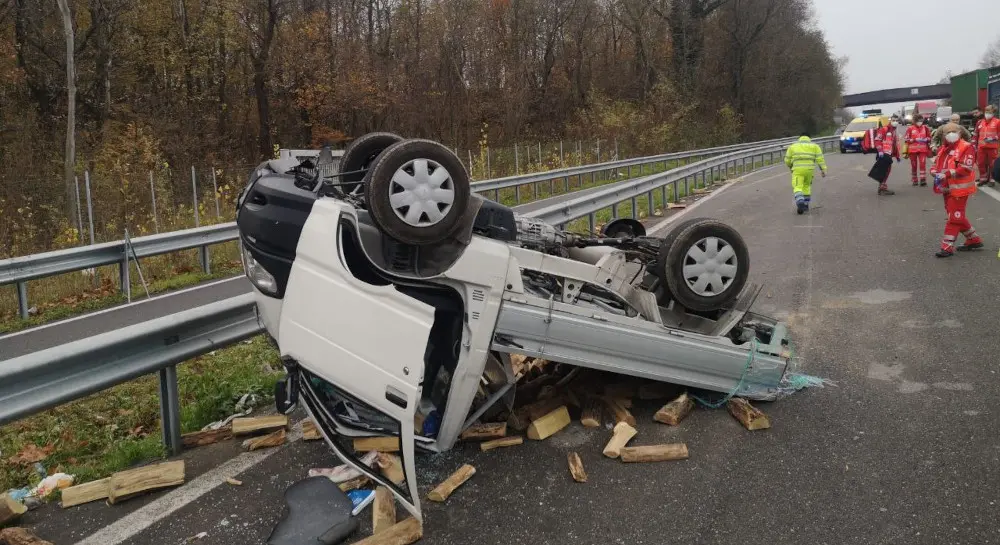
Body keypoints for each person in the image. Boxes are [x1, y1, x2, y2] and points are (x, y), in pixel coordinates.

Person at [930, 123, 983, 257]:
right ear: (943, 135)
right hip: (947, 188)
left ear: (960, 133)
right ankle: (973, 239)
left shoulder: (966, 147)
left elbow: (966, 168)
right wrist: (933, 172)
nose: (951, 134)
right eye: (948, 132)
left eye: (954, 131)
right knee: (955, 215)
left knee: (954, 218)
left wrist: (946, 174)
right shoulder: (943, 148)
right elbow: (937, 164)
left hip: (960, 189)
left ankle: (947, 247)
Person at [784, 135, 828, 214]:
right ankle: (806, 204)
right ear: (809, 138)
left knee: (797, 186)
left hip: (798, 170)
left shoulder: (793, 146)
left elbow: (787, 160)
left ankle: (800, 201)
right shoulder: (815, 146)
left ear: (799, 138)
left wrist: (790, 166)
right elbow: (820, 159)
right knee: (807, 186)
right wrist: (823, 170)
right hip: (809, 170)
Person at [872, 114, 901, 195]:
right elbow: (877, 140)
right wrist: (880, 151)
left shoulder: (894, 131)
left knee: (886, 170)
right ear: (890, 121)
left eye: (896, 120)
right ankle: (882, 187)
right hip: (883, 153)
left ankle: (882, 187)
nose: (895, 122)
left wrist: (897, 156)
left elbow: (894, 144)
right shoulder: (884, 129)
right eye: (893, 120)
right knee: (884, 170)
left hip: (888, 154)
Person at [974, 104, 999, 187]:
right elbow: (975, 134)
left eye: (990, 111)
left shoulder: (998, 122)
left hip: (992, 148)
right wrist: (974, 145)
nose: (987, 113)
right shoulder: (979, 122)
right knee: (981, 163)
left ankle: (992, 179)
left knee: (992, 164)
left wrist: (993, 139)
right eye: (986, 111)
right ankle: (983, 178)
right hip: (981, 148)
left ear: (994, 112)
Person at [904, 115, 933, 186]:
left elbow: (929, 137)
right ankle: (914, 180)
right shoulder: (910, 128)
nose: (920, 122)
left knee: (922, 164)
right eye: (918, 121)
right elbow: (906, 139)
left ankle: (923, 179)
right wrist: (914, 139)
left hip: (923, 149)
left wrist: (926, 139)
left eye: (921, 121)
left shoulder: (925, 128)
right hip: (912, 150)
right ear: (915, 121)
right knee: (914, 165)